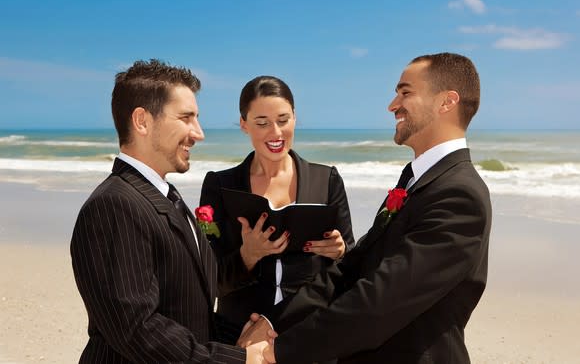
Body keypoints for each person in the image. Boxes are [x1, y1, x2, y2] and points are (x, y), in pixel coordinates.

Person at [262, 52, 492, 363]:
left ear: (446, 102)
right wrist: (274, 321)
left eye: (405, 92)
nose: (392, 104)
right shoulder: (414, 180)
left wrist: (278, 351)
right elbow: (354, 266)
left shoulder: (459, 195)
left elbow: (380, 303)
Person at [70, 59, 267, 363]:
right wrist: (239, 360)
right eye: (186, 118)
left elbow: (190, 304)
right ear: (142, 121)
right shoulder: (113, 206)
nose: (198, 133)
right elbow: (138, 330)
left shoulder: (168, 197)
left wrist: (242, 334)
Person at [199, 75, 355, 340]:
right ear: (244, 124)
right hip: (236, 336)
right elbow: (207, 279)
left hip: (306, 335)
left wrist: (339, 251)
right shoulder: (220, 186)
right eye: (262, 123)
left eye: (283, 120)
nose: (276, 133)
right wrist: (248, 255)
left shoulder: (327, 180)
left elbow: (350, 266)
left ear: (295, 117)